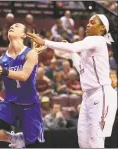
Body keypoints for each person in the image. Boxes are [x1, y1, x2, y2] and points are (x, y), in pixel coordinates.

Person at [27, 14, 117, 148]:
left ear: (102, 28)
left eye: (92, 23)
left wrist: (45, 42)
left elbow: (74, 47)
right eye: (88, 21)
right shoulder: (90, 46)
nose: (88, 24)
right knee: (83, 141)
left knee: (95, 142)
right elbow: (80, 66)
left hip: (101, 94)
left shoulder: (98, 40)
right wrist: (71, 54)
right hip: (87, 97)